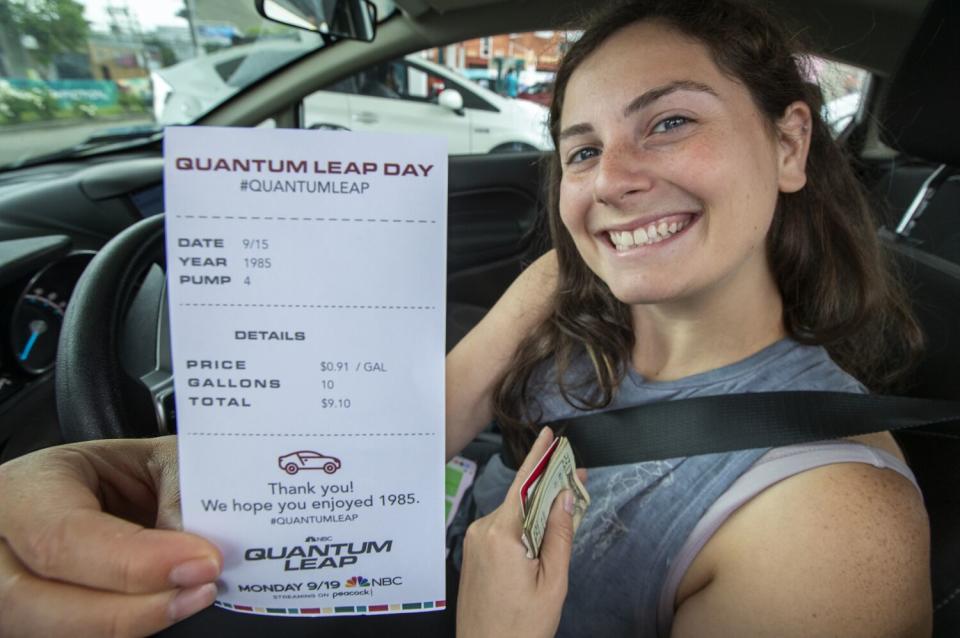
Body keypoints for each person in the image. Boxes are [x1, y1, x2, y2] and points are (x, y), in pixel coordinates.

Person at [0, 0, 934, 636]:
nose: (610, 179)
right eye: (580, 150)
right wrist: (131, 470)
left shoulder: (834, 526)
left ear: (788, 142)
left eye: (669, 122)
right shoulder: (561, 290)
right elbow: (398, 446)